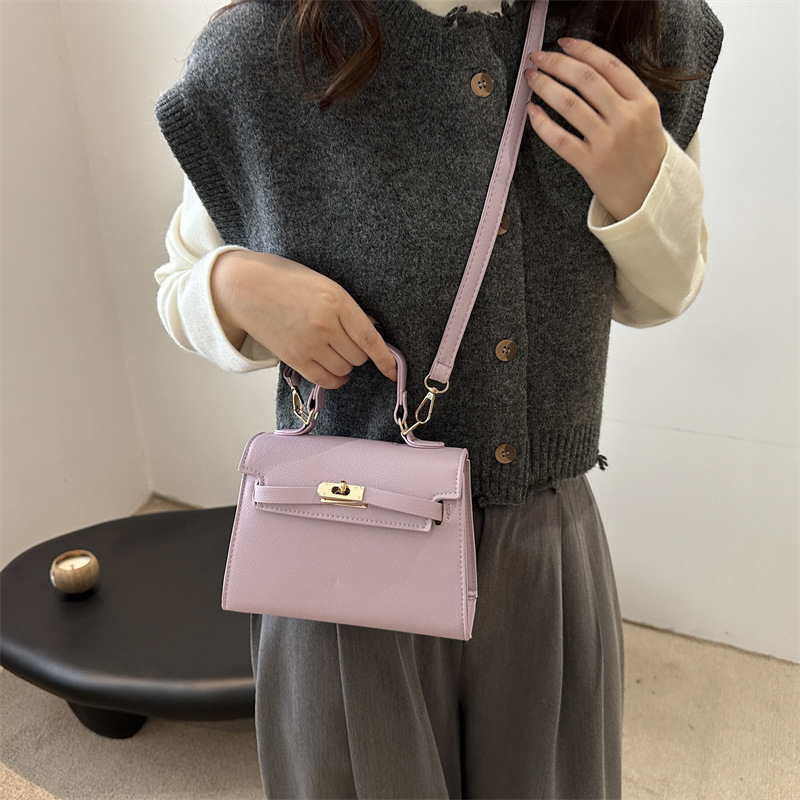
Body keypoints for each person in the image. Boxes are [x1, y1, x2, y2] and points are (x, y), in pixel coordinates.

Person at [155, 0, 723, 796]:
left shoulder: (640, 29)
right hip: (345, 532)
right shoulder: (259, 53)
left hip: (542, 541)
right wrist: (234, 286)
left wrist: (644, 186)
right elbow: (179, 279)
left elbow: (665, 291)